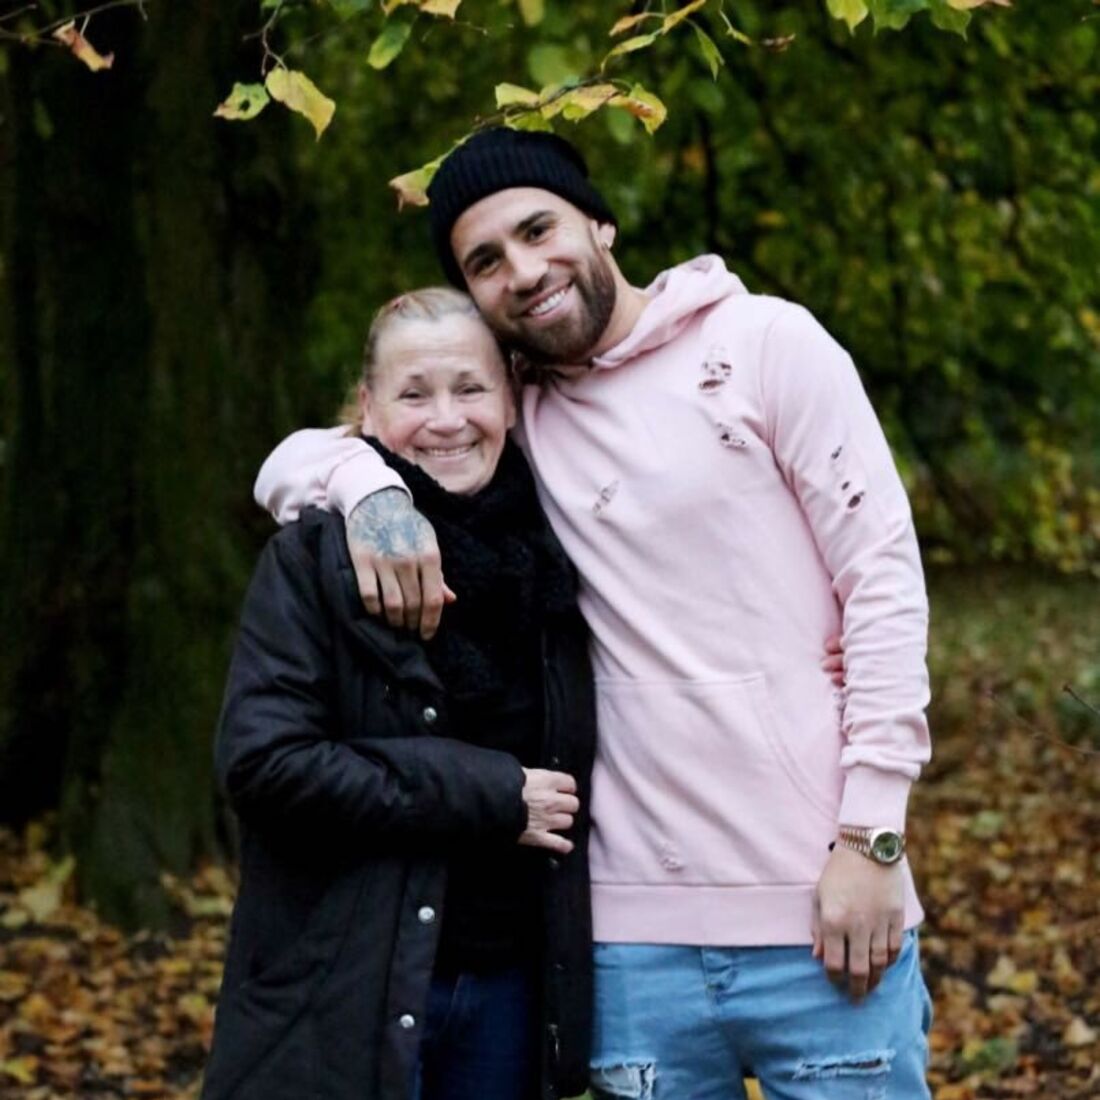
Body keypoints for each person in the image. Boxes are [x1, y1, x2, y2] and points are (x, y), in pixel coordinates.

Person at [255, 129, 934, 1098]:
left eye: (537, 229)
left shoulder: (765, 347)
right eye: (483, 260)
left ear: (599, 222)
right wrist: (372, 491)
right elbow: (293, 461)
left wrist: (872, 833)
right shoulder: (513, 413)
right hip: (624, 946)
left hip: (821, 909)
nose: (523, 271)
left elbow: (883, 584)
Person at [202, 287, 597, 1100]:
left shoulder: (564, 550)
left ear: (512, 401)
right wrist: (489, 792)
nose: (446, 419)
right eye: (414, 394)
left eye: (470, 389)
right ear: (367, 410)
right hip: (345, 988)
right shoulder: (316, 557)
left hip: (514, 993)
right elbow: (266, 765)